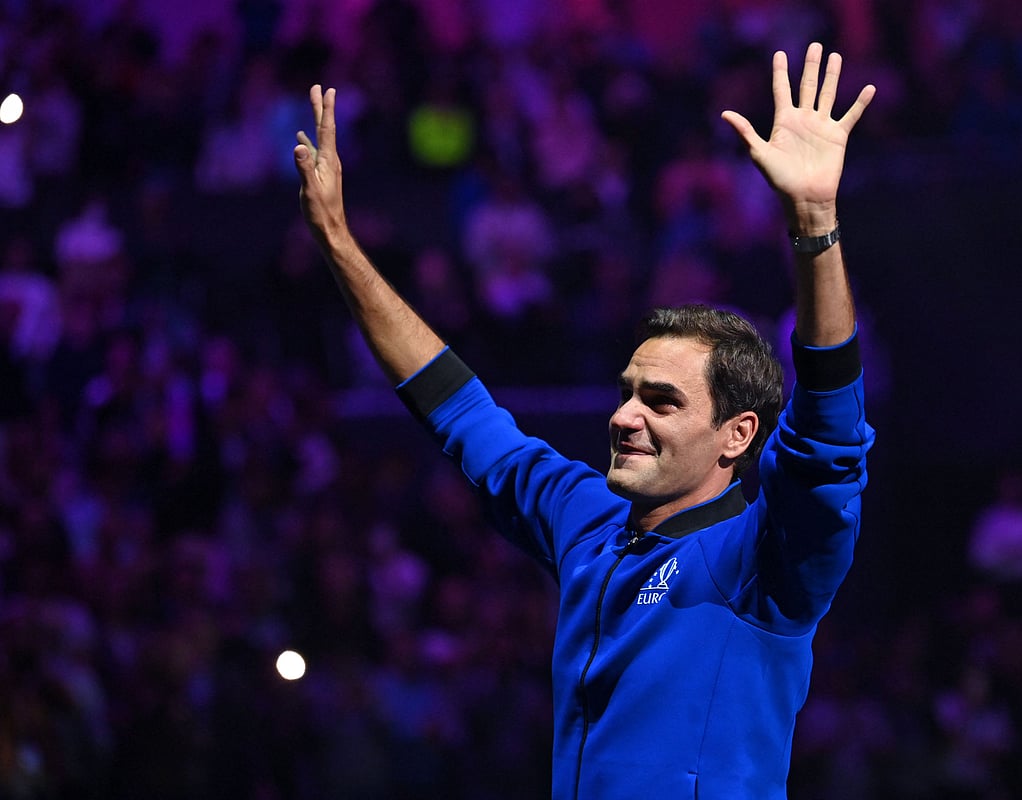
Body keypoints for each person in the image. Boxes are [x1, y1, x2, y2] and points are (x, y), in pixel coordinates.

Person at [294, 42, 875, 799]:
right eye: (629, 390)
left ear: (738, 435)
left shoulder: (767, 560)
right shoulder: (584, 520)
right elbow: (458, 407)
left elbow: (829, 435)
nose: (626, 415)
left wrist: (815, 223)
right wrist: (339, 244)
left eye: (662, 401)